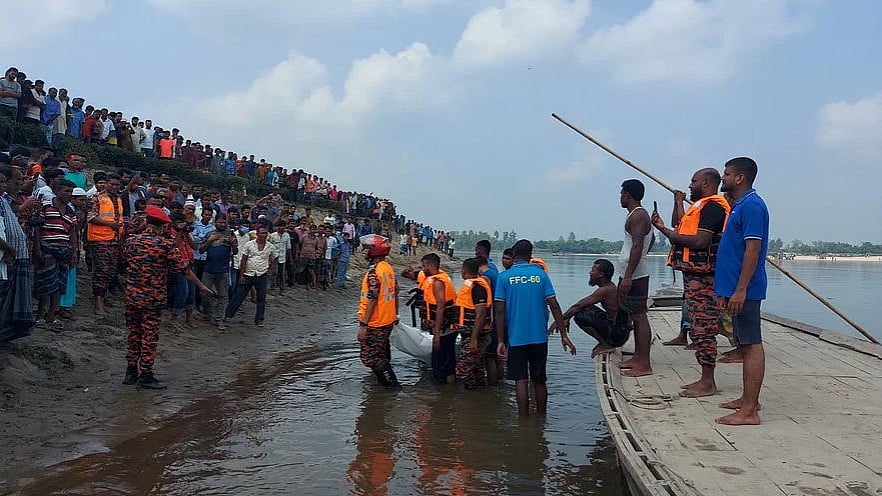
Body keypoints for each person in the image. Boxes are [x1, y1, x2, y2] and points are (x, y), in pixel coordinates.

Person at [651, 168, 730, 398]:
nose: (689, 185)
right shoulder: (700, 207)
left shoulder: (713, 207)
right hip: (695, 277)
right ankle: (705, 378)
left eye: (693, 181)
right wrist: (670, 217)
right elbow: (682, 227)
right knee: (696, 328)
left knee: (704, 330)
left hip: (706, 278)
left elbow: (699, 241)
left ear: (706, 183)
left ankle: (708, 382)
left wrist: (665, 231)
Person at [122, 205, 214, 389]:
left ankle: (131, 372)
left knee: (134, 333)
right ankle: (145, 375)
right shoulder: (165, 245)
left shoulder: (131, 241)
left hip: (132, 296)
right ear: (163, 226)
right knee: (149, 337)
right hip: (152, 298)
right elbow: (184, 270)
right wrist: (201, 286)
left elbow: (124, 262)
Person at [714, 157, 769, 426]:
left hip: (745, 289)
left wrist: (741, 289)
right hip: (734, 288)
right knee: (744, 344)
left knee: (751, 344)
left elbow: (753, 249)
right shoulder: (738, 206)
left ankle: (749, 412)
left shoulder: (752, 206)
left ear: (740, 178)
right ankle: (748, 400)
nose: (722, 178)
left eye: (726, 174)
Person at [496, 240, 575, 415]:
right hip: (539, 337)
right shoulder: (541, 275)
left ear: (514, 255)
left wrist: (501, 340)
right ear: (530, 255)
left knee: (521, 380)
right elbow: (554, 305)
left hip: (516, 338)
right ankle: (541, 419)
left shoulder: (504, 277)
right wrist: (563, 334)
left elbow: (500, 312)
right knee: (539, 380)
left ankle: (523, 421)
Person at [617, 179, 654, 377]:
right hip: (632, 272)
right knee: (635, 315)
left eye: (621, 193)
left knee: (639, 316)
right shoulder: (635, 215)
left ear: (628, 195)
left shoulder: (638, 215)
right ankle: (638, 358)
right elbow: (650, 240)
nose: (620, 197)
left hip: (636, 274)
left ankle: (644, 363)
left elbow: (638, 245)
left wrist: (628, 276)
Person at [557, 259, 629, 358]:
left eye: (593, 270)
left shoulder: (605, 290)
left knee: (580, 316)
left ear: (601, 274)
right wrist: (567, 318)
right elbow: (581, 305)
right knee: (585, 307)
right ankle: (604, 342)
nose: (590, 273)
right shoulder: (609, 287)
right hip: (620, 330)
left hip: (617, 335)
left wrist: (558, 321)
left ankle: (605, 344)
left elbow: (577, 307)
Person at [33, 179, 78, 329]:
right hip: (47, 248)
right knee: (45, 282)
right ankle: (40, 315)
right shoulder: (46, 206)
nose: (69, 194)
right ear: (57, 191)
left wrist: (74, 252)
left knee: (59, 284)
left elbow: (73, 233)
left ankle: (52, 315)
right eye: (66, 191)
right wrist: (37, 249)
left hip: (64, 250)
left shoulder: (71, 211)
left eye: (71, 192)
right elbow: (37, 229)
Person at [357, 237, 400, 388]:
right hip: (387, 320)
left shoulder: (374, 273)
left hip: (375, 322)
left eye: (367, 249)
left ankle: (391, 385)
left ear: (374, 251)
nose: (365, 252)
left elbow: (372, 298)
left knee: (370, 357)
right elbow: (395, 292)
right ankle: (385, 384)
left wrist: (363, 325)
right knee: (381, 353)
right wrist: (396, 314)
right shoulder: (388, 269)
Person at [224, 225, 276, 327]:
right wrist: (242, 275)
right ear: (257, 234)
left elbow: (273, 258)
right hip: (248, 274)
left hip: (262, 274)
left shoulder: (270, 247)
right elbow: (244, 260)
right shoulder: (249, 244)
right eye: (262, 233)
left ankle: (259, 320)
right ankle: (228, 315)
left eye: (266, 233)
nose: (264, 235)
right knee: (239, 296)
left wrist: (269, 269)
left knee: (261, 298)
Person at [87, 173, 124, 316]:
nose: (114, 187)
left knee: (111, 272)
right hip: (99, 239)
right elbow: (91, 217)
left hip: (114, 240)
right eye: (112, 184)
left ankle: (102, 297)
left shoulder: (118, 199)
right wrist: (110, 224)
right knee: (102, 271)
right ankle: (98, 303)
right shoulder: (96, 198)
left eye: (117, 185)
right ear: (106, 183)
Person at [453, 258, 493, 389]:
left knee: (461, 371)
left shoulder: (477, 288)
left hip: (476, 336)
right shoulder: (471, 286)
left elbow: (481, 315)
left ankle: (459, 398)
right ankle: (477, 397)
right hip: (469, 335)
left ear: (464, 270)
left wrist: (474, 339)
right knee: (477, 371)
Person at [420, 252, 458, 384]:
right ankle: (447, 391)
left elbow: (441, 307)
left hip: (444, 329)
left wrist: (437, 334)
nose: (423, 269)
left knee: (441, 362)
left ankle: (444, 391)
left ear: (431, 266)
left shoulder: (437, 282)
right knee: (446, 360)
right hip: (444, 327)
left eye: (424, 266)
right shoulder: (439, 278)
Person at [200, 214, 236, 330]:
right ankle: (207, 314)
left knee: (223, 295)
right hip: (209, 268)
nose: (222, 224)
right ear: (215, 222)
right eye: (220, 222)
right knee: (205, 293)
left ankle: (220, 319)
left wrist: (232, 243)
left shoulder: (230, 234)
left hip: (223, 270)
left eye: (224, 222)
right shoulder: (210, 234)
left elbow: (235, 252)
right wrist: (209, 241)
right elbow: (201, 250)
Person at [475, 239, 503, 385]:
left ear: (482, 250)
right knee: (496, 353)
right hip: (498, 316)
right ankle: (499, 383)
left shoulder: (486, 275)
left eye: (477, 249)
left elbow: (483, 301)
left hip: (490, 318)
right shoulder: (493, 268)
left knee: (489, 355)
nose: (475, 251)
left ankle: (492, 386)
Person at [268, 220, 291, 294]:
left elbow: (288, 247)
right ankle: (272, 287)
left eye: (283, 226)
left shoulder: (287, 235)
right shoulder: (272, 235)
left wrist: (289, 258)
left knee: (282, 274)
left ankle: (282, 288)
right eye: (279, 226)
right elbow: (269, 246)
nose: (281, 228)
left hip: (283, 257)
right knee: (273, 273)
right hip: (274, 257)